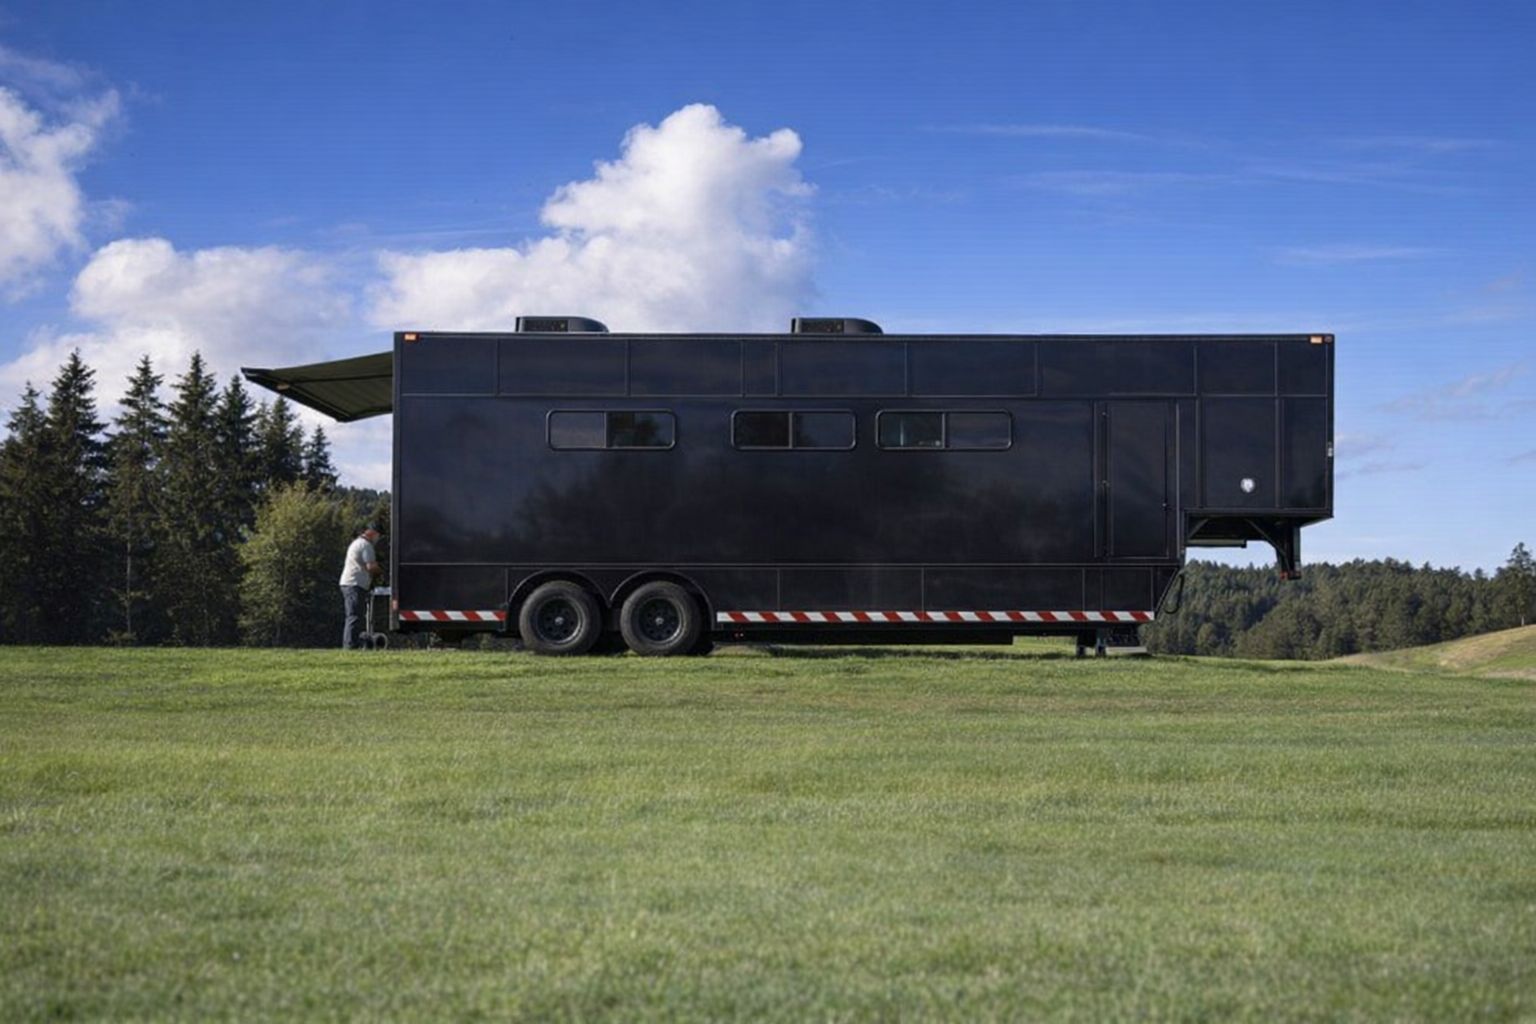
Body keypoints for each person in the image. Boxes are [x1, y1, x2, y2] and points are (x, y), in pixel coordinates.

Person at [340, 524, 382, 649]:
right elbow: (371, 567)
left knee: (354, 615)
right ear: (371, 532)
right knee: (354, 616)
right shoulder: (366, 545)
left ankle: (353, 643)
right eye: (377, 535)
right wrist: (382, 573)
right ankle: (350, 645)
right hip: (354, 584)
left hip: (350, 583)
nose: (377, 538)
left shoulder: (357, 543)